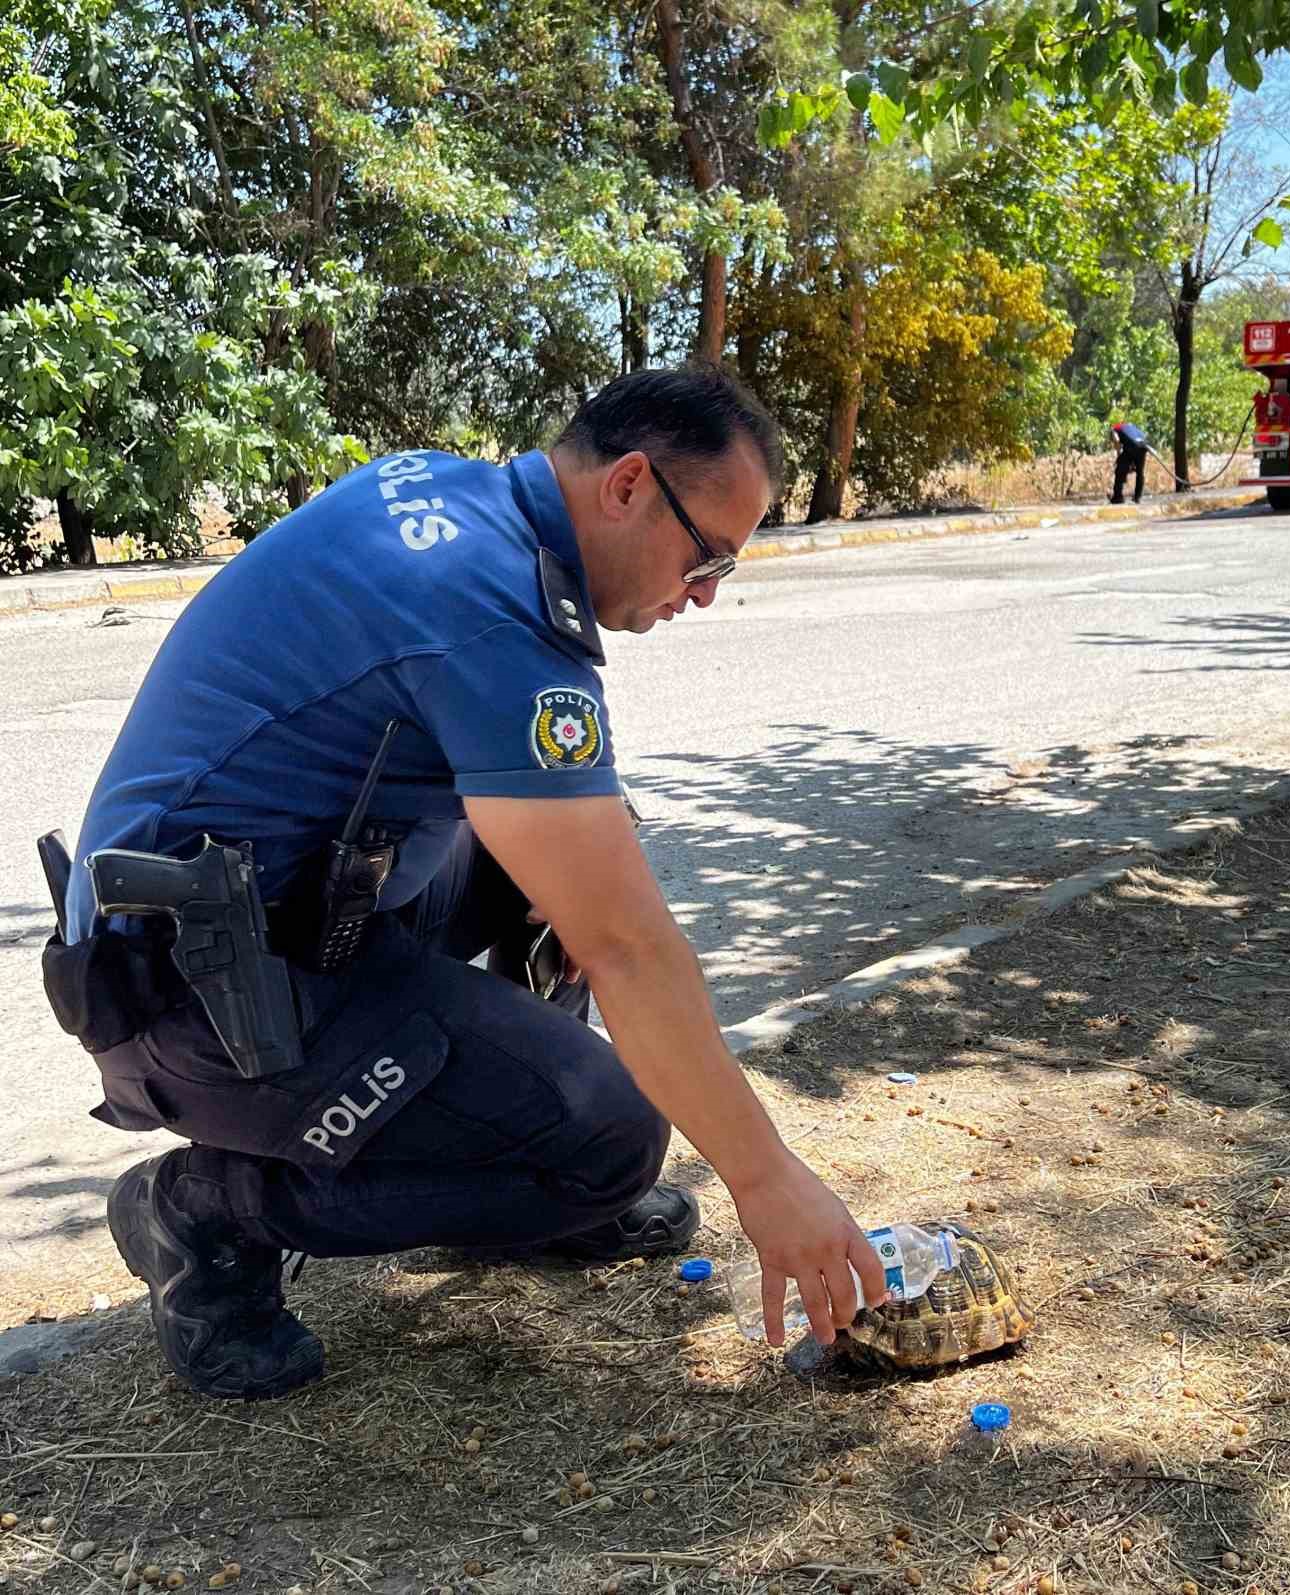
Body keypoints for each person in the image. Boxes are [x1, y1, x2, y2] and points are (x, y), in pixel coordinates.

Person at [44, 366, 889, 1400]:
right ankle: (208, 1209)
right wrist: (768, 1180)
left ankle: (522, 1162)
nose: (704, 591)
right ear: (627, 484)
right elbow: (626, 947)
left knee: (574, 842)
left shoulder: (454, 497)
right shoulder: (490, 613)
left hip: (267, 903)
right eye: (705, 555)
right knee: (615, 1135)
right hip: (193, 992)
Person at [1109, 419, 1149, 504]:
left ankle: (1118, 497)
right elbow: (1143, 435)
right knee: (1140, 472)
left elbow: (1116, 440)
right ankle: (1137, 497)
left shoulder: (1114, 429)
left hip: (1131, 445)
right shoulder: (1131, 426)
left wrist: (1120, 457)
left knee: (1120, 470)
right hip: (1143, 445)